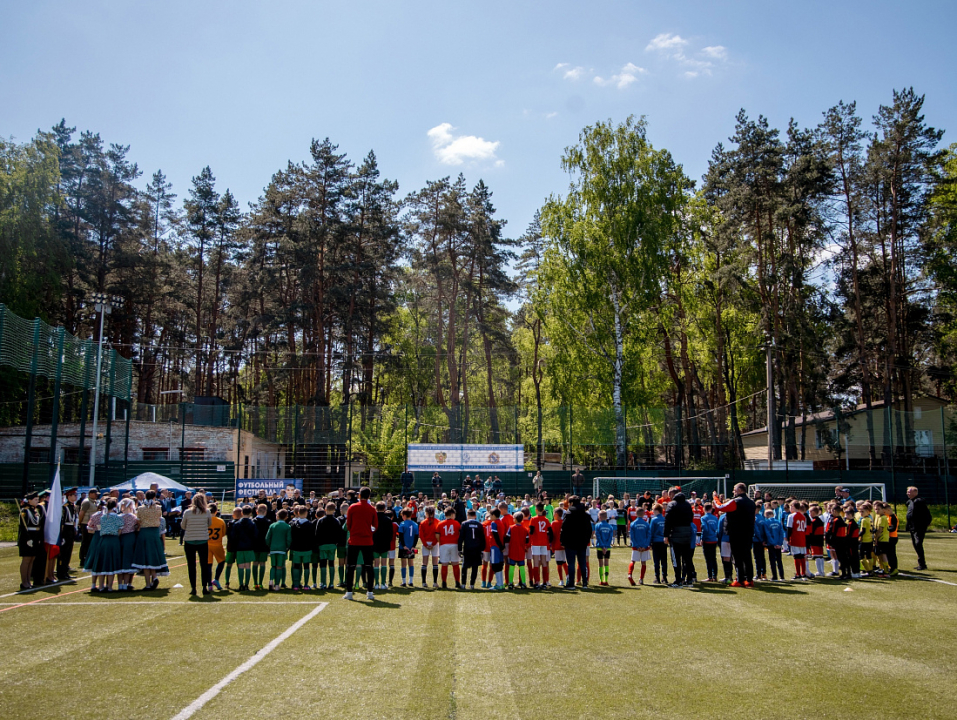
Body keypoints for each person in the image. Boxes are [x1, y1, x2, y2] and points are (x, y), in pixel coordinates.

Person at [713, 483, 757, 587]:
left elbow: (720, 507)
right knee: (747, 556)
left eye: (734, 490)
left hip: (736, 532)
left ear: (740, 490)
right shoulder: (751, 503)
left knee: (737, 557)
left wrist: (715, 497)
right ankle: (749, 579)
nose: (733, 492)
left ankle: (740, 579)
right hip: (748, 532)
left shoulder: (736, 501)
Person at [344, 486, 378, 601]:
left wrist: (354, 531)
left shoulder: (352, 507)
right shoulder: (372, 509)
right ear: (369, 496)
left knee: (350, 566)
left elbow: (348, 524)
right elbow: (375, 526)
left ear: (359, 495)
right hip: (367, 541)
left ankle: (349, 592)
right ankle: (369, 592)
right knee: (369, 567)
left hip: (354, 540)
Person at [181, 493, 213, 596]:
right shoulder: (207, 512)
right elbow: (209, 524)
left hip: (189, 540)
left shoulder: (187, 512)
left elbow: (183, 526)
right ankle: (204, 587)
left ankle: (193, 588)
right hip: (202, 540)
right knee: (204, 565)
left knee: (191, 565)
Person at [559, 495, 591, 588]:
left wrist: (562, 541)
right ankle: (585, 583)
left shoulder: (568, 514)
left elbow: (563, 529)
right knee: (582, 563)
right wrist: (586, 540)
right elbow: (589, 529)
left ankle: (571, 584)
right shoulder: (585, 514)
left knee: (571, 564)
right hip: (582, 542)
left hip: (570, 542)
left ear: (571, 503)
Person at [664, 491, 694, 588]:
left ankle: (678, 580)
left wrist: (666, 535)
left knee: (676, 559)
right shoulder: (688, 505)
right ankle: (689, 579)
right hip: (687, 534)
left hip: (675, 534)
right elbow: (691, 518)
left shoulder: (672, 505)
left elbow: (667, 521)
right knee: (687, 558)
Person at [93, 499, 123, 593]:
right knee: (111, 564)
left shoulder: (102, 517)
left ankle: (101, 586)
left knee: (102, 563)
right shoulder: (117, 517)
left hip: (103, 540)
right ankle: (109, 587)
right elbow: (120, 530)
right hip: (113, 540)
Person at [315, 501, 345, 589]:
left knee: (323, 564)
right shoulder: (336, 521)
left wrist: (318, 543)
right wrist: (336, 543)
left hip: (322, 545)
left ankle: (323, 583)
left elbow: (317, 533)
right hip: (332, 545)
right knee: (331, 564)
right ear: (334, 510)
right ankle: (331, 583)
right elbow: (339, 534)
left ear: (325, 509)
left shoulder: (320, 520)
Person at [17, 492, 44, 590]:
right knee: (26, 559)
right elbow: (23, 528)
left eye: (38, 500)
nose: (37, 501)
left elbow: (38, 526)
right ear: (29, 500)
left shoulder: (35, 510)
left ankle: (28, 581)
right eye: (35, 500)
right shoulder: (25, 511)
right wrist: (28, 539)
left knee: (32, 559)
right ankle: (24, 582)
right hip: (27, 538)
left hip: (35, 537)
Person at [231, 505, 259, 591]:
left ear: (242, 513)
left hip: (239, 547)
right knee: (247, 566)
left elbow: (232, 536)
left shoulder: (236, 524)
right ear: (251, 513)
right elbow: (255, 536)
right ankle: (246, 584)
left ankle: (241, 584)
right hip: (249, 547)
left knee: (240, 566)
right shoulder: (252, 524)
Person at [527, 503, 553, 588]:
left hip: (535, 542)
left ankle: (537, 582)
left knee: (536, 562)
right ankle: (545, 581)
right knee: (544, 562)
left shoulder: (533, 519)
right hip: (544, 543)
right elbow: (550, 532)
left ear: (536, 510)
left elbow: (531, 531)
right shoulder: (546, 520)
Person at [265, 508, 292, 591]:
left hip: (273, 548)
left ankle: (270, 581)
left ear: (277, 516)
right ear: (286, 517)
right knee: (279, 567)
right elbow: (288, 539)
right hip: (282, 549)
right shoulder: (287, 526)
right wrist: (287, 547)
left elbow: (267, 538)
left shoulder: (272, 525)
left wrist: (270, 546)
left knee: (273, 566)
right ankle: (277, 585)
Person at [906, 486, 931, 570]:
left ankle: (922, 564)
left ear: (915, 493)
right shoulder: (909, 502)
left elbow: (927, 513)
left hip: (919, 526)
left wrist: (926, 523)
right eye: (907, 492)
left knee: (918, 543)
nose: (907, 493)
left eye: (909, 492)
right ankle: (921, 563)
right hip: (912, 527)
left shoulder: (919, 501)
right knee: (915, 544)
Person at [56, 487, 79, 581]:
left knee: (68, 551)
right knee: (63, 552)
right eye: (74, 495)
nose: (76, 496)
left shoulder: (73, 506)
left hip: (71, 529)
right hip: (65, 530)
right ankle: (60, 572)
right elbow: (61, 522)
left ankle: (65, 570)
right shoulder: (64, 507)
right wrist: (61, 535)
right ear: (69, 496)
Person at [459, 509, 485, 589]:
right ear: (475, 516)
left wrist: (459, 548)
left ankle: (463, 584)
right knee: (475, 566)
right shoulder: (479, 525)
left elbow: (461, 538)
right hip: (477, 547)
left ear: (468, 515)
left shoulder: (464, 524)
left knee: (465, 566)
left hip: (467, 547)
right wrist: (482, 549)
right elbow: (482, 538)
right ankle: (472, 584)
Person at [372, 502, 395, 590]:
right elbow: (390, 534)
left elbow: (372, 531)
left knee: (376, 563)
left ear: (376, 508)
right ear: (384, 508)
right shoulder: (388, 519)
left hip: (375, 543)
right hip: (385, 544)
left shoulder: (373, 518)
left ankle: (376, 583)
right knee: (384, 563)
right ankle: (383, 583)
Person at [437, 509, 462, 589]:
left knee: (444, 564)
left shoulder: (440, 523)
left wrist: (440, 542)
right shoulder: (456, 523)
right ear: (451, 514)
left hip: (444, 545)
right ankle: (457, 582)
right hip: (454, 544)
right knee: (455, 563)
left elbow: (437, 535)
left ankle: (444, 582)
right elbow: (459, 533)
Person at [206, 503, 227, 591]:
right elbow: (223, 533)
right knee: (222, 562)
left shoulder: (205, 520)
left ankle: (209, 584)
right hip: (217, 545)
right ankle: (216, 579)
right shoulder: (220, 521)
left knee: (208, 565)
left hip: (207, 545)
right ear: (216, 511)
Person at [628, 506, 652, 585]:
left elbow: (632, 536)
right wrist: (645, 545)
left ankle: (630, 574)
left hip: (636, 546)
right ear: (644, 514)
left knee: (633, 561)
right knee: (643, 562)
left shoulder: (633, 523)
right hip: (644, 546)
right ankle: (641, 579)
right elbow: (649, 536)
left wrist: (637, 545)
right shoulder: (646, 524)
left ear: (636, 513)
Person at [506, 512, 529, 588]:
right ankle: (524, 583)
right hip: (521, 551)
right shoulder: (525, 529)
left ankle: (510, 583)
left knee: (511, 566)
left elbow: (507, 538)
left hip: (513, 550)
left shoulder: (511, 528)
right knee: (521, 566)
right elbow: (527, 540)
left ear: (515, 519)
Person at [252, 504, 273, 590]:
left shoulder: (253, 521)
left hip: (254, 545)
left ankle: (255, 583)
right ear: (265, 512)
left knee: (255, 563)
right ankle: (260, 583)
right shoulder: (268, 522)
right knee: (262, 563)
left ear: (257, 511)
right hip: (264, 545)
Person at [397, 508, 419, 588]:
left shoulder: (402, 524)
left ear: (404, 516)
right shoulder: (415, 524)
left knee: (403, 564)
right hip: (411, 547)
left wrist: (403, 546)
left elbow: (401, 536)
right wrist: (413, 546)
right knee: (411, 563)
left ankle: (404, 581)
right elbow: (416, 537)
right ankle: (411, 581)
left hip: (403, 547)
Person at [419, 506, 440, 588]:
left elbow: (421, 535)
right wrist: (434, 542)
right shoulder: (437, 522)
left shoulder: (423, 522)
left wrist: (425, 544)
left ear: (426, 513)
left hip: (426, 543)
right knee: (435, 563)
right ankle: (435, 582)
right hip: (434, 543)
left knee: (424, 562)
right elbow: (438, 534)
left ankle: (424, 582)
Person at [787, 502, 809, 580]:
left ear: (793, 507)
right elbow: (805, 528)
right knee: (802, 555)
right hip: (802, 538)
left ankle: (798, 574)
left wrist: (788, 538)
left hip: (795, 537)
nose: (790, 508)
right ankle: (803, 574)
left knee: (796, 556)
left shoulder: (791, 516)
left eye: (790, 506)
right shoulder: (803, 516)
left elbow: (789, 528)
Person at [77, 488, 99, 566]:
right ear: (90, 494)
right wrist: (80, 522)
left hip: (92, 525)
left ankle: (88, 558)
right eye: (95, 494)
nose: (96, 495)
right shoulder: (87, 502)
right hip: (86, 523)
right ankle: (82, 559)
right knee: (85, 542)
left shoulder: (94, 502)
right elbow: (81, 513)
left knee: (90, 542)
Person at [763, 509, 785, 581]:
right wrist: (779, 543)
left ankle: (775, 576)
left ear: (766, 515)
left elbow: (768, 534)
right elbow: (781, 533)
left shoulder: (766, 523)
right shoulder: (778, 522)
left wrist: (773, 544)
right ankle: (782, 576)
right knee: (779, 560)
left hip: (771, 544)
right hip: (778, 544)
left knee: (772, 561)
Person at [593, 510, 615, 586]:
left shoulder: (597, 525)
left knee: (600, 563)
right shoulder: (610, 526)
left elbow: (598, 537)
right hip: (608, 547)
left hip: (600, 547)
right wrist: (606, 546)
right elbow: (610, 537)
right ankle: (606, 580)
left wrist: (602, 546)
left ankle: (601, 580)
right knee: (606, 562)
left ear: (600, 517)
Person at [222, 507, 242, 589]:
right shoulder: (242, 524)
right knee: (240, 565)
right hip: (240, 547)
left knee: (229, 565)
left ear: (233, 515)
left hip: (230, 546)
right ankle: (241, 583)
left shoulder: (230, 524)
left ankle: (227, 582)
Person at [699, 504, 719, 582]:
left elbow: (705, 529)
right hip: (714, 539)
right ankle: (715, 576)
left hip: (707, 540)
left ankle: (710, 576)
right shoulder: (715, 518)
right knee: (714, 558)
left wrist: (702, 539)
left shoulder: (703, 518)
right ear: (711, 509)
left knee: (708, 559)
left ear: (704, 509)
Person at [649, 504, 668, 585]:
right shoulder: (665, 519)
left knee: (656, 560)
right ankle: (664, 577)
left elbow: (651, 532)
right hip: (664, 541)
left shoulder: (654, 520)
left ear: (656, 510)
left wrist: (649, 543)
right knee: (664, 559)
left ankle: (657, 577)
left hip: (656, 541)